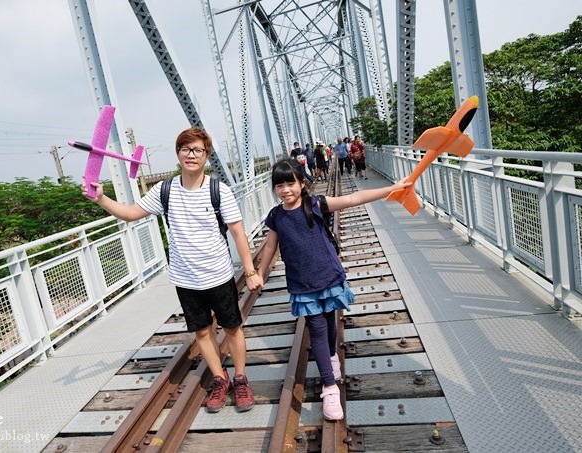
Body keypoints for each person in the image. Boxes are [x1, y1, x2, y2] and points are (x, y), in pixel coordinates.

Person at [82, 127, 264, 413]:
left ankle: (241, 378)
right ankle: (220, 379)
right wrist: (101, 199)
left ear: (206, 155)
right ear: (178, 153)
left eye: (198, 150)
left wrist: (251, 271)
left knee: (232, 327)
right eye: (186, 149)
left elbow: (238, 233)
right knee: (202, 333)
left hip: (218, 274)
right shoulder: (165, 190)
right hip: (185, 278)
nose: (191, 155)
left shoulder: (219, 190)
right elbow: (131, 214)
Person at [255, 159, 410, 420]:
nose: (285, 190)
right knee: (316, 329)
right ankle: (329, 387)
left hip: (328, 276)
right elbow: (270, 247)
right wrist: (259, 274)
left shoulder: (315, 204)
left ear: (302, 183)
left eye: (290, 183)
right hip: (302, 284)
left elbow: (353, 199)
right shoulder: (276, 216)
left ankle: (331, 357)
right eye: (279, 185)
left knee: (329, 323)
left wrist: (391, 189)